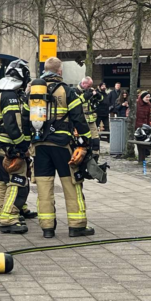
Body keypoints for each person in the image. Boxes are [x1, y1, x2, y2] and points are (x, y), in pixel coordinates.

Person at [25, 57, 95, 239]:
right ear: (59, 71)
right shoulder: (67, 91)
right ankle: (76, 226)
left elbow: (25, 118)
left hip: (39, 146)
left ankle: (47, 228)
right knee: (72, 184)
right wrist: (87, 142)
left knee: (44, 187)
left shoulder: (33, 92)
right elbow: (79, 118)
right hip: (62, 146)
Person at [0, 59, 34, 234]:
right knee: (17, 180)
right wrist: (22, 146)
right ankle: (8, 217)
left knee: (2, 179)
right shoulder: (11, 96)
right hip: (9, 146)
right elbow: (12, 125)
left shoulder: (0, 93)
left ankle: (1, 212)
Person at [73, 76, 101, 154]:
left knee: (95, 139)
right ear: (83, 83)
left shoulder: (90, 90)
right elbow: (77, 102)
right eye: (88, 86)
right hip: (81, 120)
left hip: (91, 119)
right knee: (82, 139)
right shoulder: (75, 91)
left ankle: (95, 156)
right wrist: (87, 95)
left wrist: (97, 95)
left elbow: (101, 99)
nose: (89, 88)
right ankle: (82, 155)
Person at [135, 91, 151, 158]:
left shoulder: (148, 104)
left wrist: (149, 124)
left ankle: (146, 153)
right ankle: (141, 154)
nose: (148, 99)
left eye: (149, 97)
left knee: (147, 138)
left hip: (145, 124)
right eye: (146, 97)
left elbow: (148, 116)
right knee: (139, 139)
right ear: (142, 97)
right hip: (138, 124)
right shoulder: (137, 103)